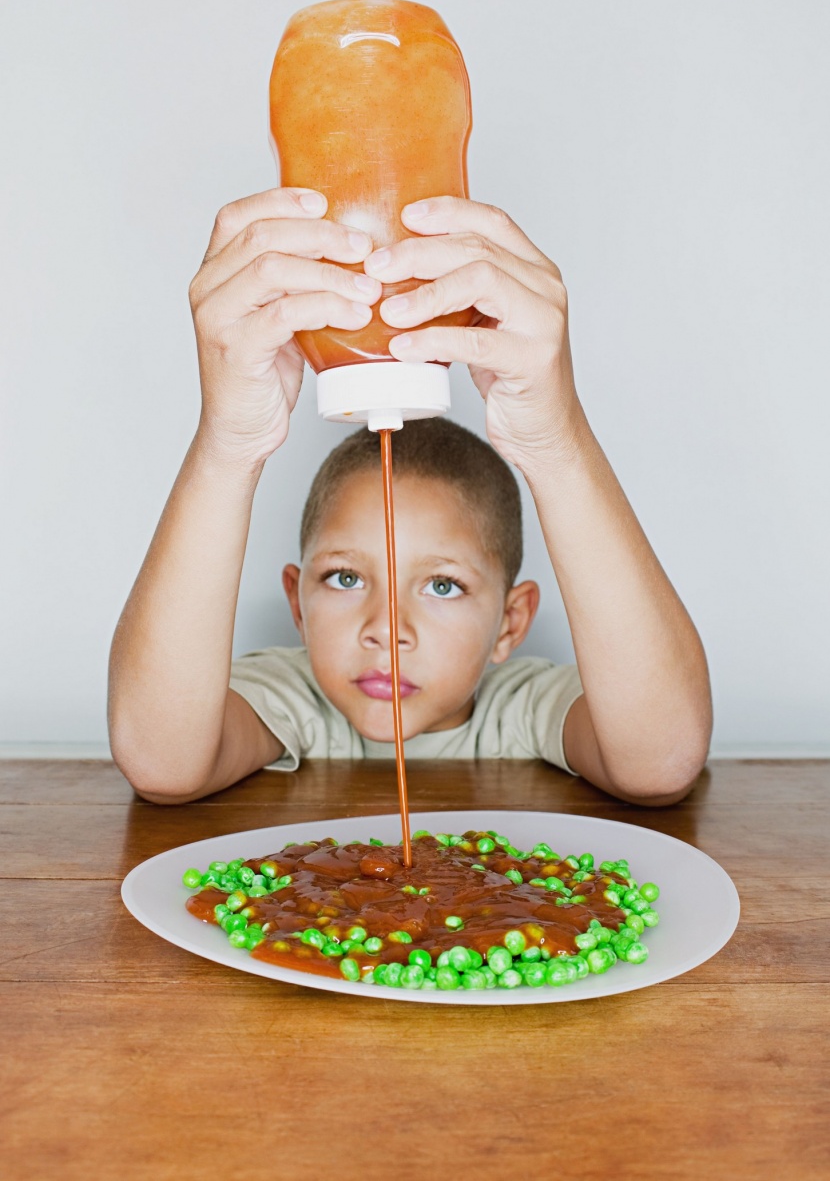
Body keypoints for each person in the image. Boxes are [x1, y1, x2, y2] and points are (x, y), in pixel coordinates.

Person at [108, 187, 712, 806]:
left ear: (510, 624)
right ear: (296, 601)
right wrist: (228, 445)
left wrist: (555, 442)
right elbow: (162, 763)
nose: (385, 630)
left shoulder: (521, 708)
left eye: (443, 585)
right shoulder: (291, 700)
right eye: (344, 578)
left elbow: (659, 762)